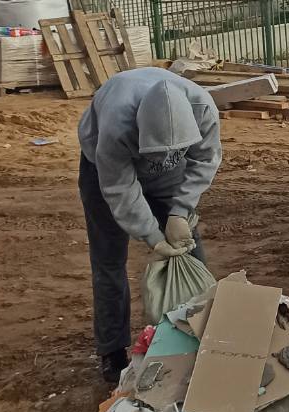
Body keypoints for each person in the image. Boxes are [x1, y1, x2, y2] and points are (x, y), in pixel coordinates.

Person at [78, 67, 221, 384]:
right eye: (157, 154)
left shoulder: (203, 109)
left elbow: (205, 160)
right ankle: (113, 350)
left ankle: (202, 332)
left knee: (188, 248)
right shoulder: (116, 126)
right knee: (108, 259)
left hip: (172, 174)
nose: (159, 160)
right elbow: (120, 190)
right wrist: (154, 238)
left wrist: (180, 212)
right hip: (102, 166)